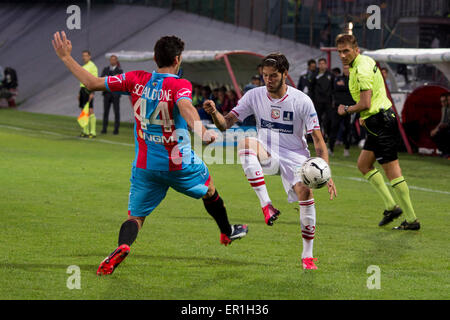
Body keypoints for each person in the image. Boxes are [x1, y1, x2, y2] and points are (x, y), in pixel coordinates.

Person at [52, 31, 248, 275]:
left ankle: (122, 246)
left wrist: (65, 57)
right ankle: (227, 232)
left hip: (145, 166)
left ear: (155, 58)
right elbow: (186, 107)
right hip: (179, 164)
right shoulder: (180, 84)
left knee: (136, 217)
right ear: (177, 59)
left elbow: (92, 83)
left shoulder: (136, 78)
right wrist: (202, 131)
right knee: (209, 189)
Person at [203, 53, 337, 270]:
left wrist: (326, 171)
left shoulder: (302, 100)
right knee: (246, 143)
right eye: (264, 75)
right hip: (267, 152)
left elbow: (318, 141)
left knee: (305, 193)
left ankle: (307, 256)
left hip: (295, 158)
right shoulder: (254, 95)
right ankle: (267, 206)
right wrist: (215, 113)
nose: (268, 80)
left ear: (285, 74)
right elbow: (225, 124)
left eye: (273, 75)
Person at [336, 33, 420, 230]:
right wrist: (366, 117)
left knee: (393, 172)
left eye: (346, 51)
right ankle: (391, 207)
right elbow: (368, 103)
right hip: (377, 122)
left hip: (381, 122)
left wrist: (346, 109)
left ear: (356, 50)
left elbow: (365, 103)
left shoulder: (362, 69)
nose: (342, 55)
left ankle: (411, 219)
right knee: (364, 165)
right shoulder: (361, 62)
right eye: (340, 52)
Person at [329, 64, 355, 157]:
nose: (346, 70)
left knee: (348, 129)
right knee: (334, 127)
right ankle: (330, 149)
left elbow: (352, 90)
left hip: (350, 108)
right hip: (338, 107)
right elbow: (336, 88)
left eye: (348, 68)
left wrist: (344, 87)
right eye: (345, 68)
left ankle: (346, 149)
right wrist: (345, 87)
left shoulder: (354, 79)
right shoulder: (338, 78)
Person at [100, 55, 123, 134]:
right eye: (111, 60)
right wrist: (113, 78)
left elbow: (119, 81)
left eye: (114, 60)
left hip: (115, 94)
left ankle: (116, 129)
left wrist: (109, 78)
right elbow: (102, 79)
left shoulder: (120, 71)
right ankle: (104, 128)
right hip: (107, 94)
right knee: (105, 112)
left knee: (116, 112)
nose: (112, 61)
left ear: (116, 61)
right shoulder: (105, 69)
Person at [78, 50, 98, 138]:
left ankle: (92, 132)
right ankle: (85, 131)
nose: (84, 57)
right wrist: (79, 92)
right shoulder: (83, 66)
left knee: (90, 110)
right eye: (83, 56)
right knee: (83, 110)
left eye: (86, 56)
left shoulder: (92, 66)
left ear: (89, 57)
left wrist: (92, 92)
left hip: (88, 89)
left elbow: (95, 80)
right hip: (82, 89)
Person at [313, 58, 334, 139]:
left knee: (329, 119)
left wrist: (332, 99)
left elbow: (333, 88)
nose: (322, 65)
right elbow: (311, 88)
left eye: (323, 63)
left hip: (328, 101)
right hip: (318, 101)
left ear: (326, 65)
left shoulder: (330, 75)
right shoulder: (314, 75)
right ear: (318, 65)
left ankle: (327, 134)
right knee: (317, 120)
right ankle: (318, 137)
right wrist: (312, 99)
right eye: (320, 63)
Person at [430, 92, 450, 158]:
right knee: (435, 134)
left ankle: (447, 152)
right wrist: (436, 129)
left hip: (447, 128)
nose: (443, 103)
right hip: (446, 127)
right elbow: (442, 121)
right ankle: (444, 152)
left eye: (444, 101)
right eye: (441, 102)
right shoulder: (444, 108)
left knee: (444, 132)